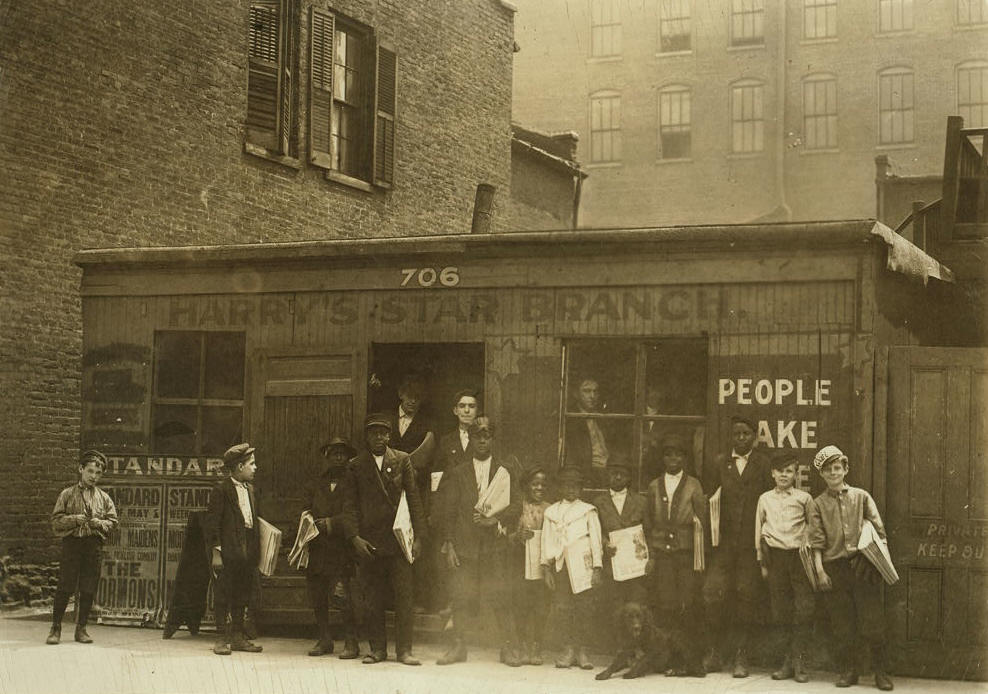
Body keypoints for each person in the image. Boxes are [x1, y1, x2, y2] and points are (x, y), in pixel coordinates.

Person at [340, 413, 425, 666]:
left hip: (399, 542)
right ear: (366, 436)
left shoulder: (402, 460)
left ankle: (405, 651)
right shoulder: (356, 465)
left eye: (383, 433)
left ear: (389, 435)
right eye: (373, 432)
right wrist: (355, 538)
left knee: (404, 597)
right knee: (372, 598)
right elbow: (350, 507)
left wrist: (419, 537)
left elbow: (414, 500)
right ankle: (377, 649)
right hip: (370, 543)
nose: (379, 437)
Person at [808, 445, 893, 691]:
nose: (833, 473)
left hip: (863, 565)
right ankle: (850, 670)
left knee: (872, 621)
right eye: (827, 470)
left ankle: (880, 672)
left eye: (837, 468)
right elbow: (816, 541)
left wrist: (873, 560)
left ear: (845, 469)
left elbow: (879, 532)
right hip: (835, 568)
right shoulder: (817, 504)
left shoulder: (862, 497)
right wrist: (820, 571)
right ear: (821, 475)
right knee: (843, 624)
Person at [436, 417, 520, 666]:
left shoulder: (506, 471)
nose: (482, 440)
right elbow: (447, 510)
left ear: (493, 439)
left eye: (487, 436)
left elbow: (517, 505)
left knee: (501, 596)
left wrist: (495, 521)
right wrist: (449, 543)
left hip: (495, 546)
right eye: (477, 436)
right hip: (465, 546)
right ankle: (458, 647)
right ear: (471, 439)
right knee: (461, 596)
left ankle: (508, 648)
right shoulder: (458, 472)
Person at [701, 415, 773, 677]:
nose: (741, 438)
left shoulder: (764, 464)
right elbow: (709, 499)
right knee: (713, 593)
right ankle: (715, 652)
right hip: (724, 545)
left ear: (754, 436)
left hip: (750, 546)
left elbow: (770, 501)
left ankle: (742, 656)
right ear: (731, 437)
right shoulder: (721, 463)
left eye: (746, 434)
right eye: (736, 434)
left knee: (746, 596)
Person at [644, 434, 707, 677]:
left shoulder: (694, 485)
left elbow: (702, 520)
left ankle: (690, 661)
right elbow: (649, 521)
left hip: (686, 553)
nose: (673, 459)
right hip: (662, 554)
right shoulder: (653, 486)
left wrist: (700, 555)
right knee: (666, 605)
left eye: (678, 454)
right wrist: (651, 551)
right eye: (668, 454)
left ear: (684, 458)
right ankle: (668, 659)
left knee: (687, 605)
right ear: (662, 458)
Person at [755, 450, 816, 683]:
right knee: (780, 611)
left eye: (789, 471)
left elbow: (812, 527)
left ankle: (799, 660)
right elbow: (758, 529)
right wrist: (762, 561)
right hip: (775, 558)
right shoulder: (765, 499)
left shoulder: (804, 499)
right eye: (780, 471)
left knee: (804, 609)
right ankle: (786, 662)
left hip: (799, 558)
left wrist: (807, 548)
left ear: (796, 474)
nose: (784, 475)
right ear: (772, 473)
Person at [46, 449, 118, 645]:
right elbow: (56, 521)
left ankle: (81, 629)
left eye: (98, 473)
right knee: (65, 586)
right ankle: (56, 628)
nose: (94, 476)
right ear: (81, 470)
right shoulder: (67, 494)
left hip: (92, 545)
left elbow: (113, 522)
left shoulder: (104, 498)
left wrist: (98, 524)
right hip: (72, 544)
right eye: (90, 471)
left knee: (88, 587)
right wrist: (75, 519)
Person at [204, 443, 264, 656]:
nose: (255, 468)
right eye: (252, 464)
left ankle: (238, 637)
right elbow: (213, 524)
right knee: (224, 593)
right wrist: (217, 553)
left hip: (246, 548)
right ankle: (221, 638)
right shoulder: (221, 490)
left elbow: (251, 521)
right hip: (228, 549)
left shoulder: (251, 489)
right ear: (239, 466)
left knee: (242, 592)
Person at [541, 466, 603, 670]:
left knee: (584, 608)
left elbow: (595, 539)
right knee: (563, 608)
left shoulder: (587, 510)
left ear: (580, 488)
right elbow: (546, 541)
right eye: (567, 485)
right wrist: (547, 568)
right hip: (561, 567)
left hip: (582, 566)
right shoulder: (552, 512)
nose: (571, 489)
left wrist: (597, 567)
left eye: (575, 486)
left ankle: (583, 650)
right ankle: (567, 649)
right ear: (560, 488)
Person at [305, 436, 359, 659]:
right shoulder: (317, 482)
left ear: (347, 457)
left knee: (344, 596)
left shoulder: (354, 481)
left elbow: (354, 513)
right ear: (326, 456)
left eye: (342, 453)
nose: (338, 457)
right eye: (333, 453)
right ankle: (324, 639)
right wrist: (306, 521)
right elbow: (306, 507)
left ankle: (351, 642)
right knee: (318, 594)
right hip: (318, 547)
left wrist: (330, 523)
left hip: (343, 548)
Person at [390, 374, 437, 612]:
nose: (412, 402)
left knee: (415, 542)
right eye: (409, 396)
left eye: (417, 398)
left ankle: (416, 601)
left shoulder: (427, 425)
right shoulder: (386, 422)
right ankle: (391, 600)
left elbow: (428, 461)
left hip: (414, 492)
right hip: (387, 492)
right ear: (400, 394)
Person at [592, 457, 650, 627]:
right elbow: (596, 532)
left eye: (622, 474)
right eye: (613, 474)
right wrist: (604, 544)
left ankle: (636, 647)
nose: (617, 478)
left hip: (636, 567)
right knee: (614, 605)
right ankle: (616, 647)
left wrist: (650, 559)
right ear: (607, 475)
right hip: (612, 565)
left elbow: (649, 532)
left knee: (636, 605)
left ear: (629, 477)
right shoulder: (598, 503)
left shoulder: (641, 502)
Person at [508, 467, 551, 666]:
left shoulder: (551, 509)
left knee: (541, 606)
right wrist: (517, 537)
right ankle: (523, 644)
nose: (539, 488)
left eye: (542, 484)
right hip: (520, 563)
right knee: (521, 605)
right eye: (535, 484)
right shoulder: (518, 507)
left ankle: (537, 645)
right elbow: (504, 535)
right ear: (527, 486)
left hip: (543, 565)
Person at [564, 377, 610, 487]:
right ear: (576, 394)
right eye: (587, 391)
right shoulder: (571, 420)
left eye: (595, 391)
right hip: (588, 472)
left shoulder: (603, 418)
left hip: (608, 470)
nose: (592, 396)